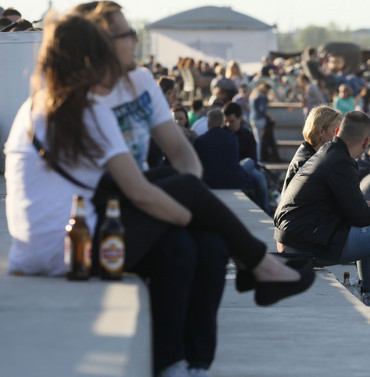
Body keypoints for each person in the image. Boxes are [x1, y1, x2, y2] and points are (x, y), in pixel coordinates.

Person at [66, 4, 313, 376]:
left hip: (137, 199)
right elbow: (132, 189)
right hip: (105, 214)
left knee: (210, 246)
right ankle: (254, 270)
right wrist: (194, 210)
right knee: (188, 242)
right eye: (126, 34)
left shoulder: (140, 82)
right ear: (100, 44)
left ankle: (196, 364)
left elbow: (181, 151)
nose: (135, 40)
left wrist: (190, 195)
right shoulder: (86, 99)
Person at [274, 111, 370, 315]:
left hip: (297, 237)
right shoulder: (340, 161)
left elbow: (352, 209)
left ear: (338, 132)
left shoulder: (330, 152)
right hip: (300, 244)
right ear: (367, 143)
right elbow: (358, 216)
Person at [281, 105, 342, 194]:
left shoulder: (311, 154)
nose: (338, 136)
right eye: (336, 131)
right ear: (322, 131)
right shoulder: (305, 164)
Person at [223, 102, 270, 214]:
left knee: (259, 177)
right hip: (229, 167)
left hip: (245, 167)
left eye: (232, 121)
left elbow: (252, 159)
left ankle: (265, 207)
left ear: (240, 118)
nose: (228, 124)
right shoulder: (223, 133)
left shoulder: (246, 135)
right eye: (226, 121)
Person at [249, 82, 271, 162]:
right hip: (260, 119)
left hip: (253, 118)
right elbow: (263, 109)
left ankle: (257, 157)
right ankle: (259, 158)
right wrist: (270, 117)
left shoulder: (254, 94)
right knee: (260, 140)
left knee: (257, 139)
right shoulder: (262, 96)